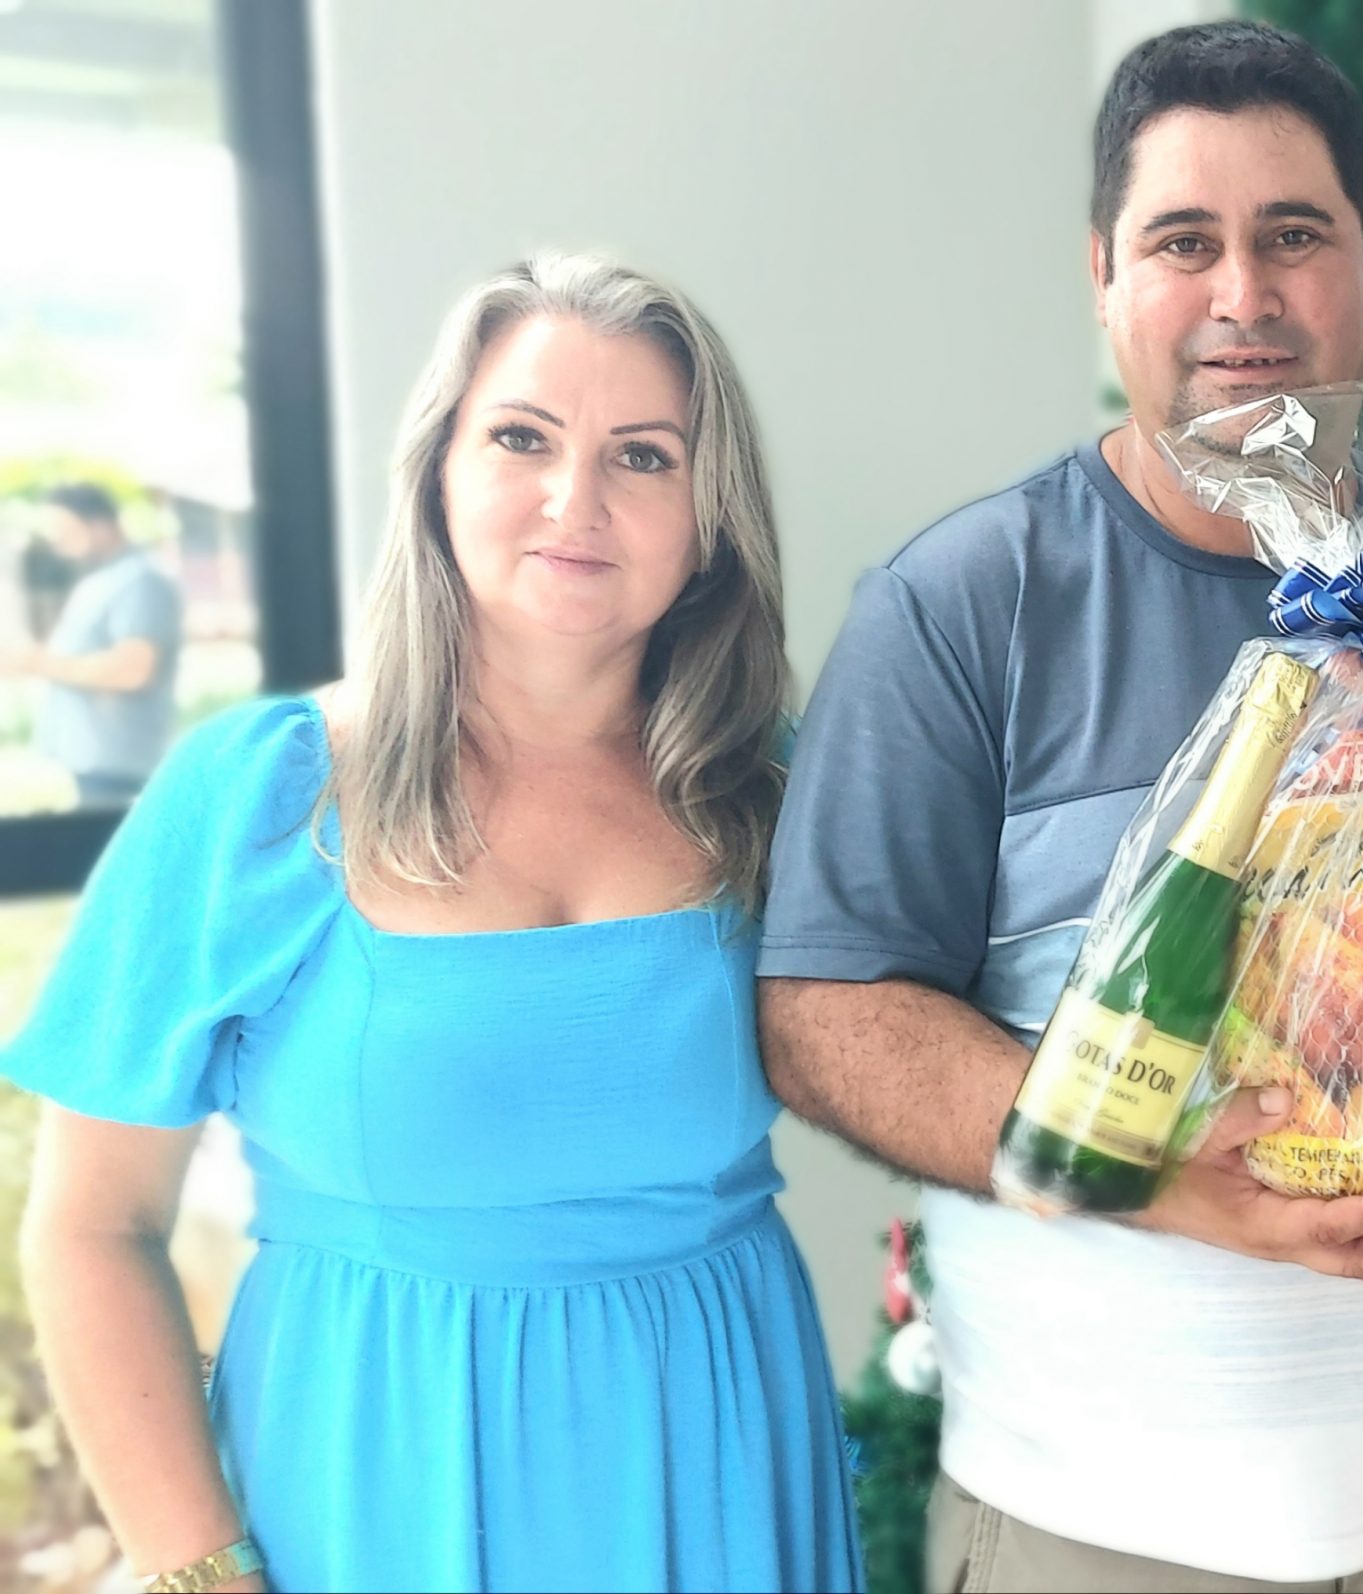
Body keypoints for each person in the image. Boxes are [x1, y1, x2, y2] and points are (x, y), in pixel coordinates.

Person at [758, 20, 1363, 1594]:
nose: (1244, 292)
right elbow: (826, 1013)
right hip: (1090, 1531)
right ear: (1105, 275)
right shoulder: (963, 605)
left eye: (1294, 234)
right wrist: (1148, 1177)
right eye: (1184, 241)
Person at [8, 254, 863, 1592]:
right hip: (367, 1485)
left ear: (708, 517)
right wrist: (199, 1570)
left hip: (718, 1467)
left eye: (643, 456)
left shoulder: (778, 793)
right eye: (522, 436)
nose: (575, 498)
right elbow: (90, 1227)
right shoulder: (264, 792)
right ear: (437, 472)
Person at [8, 482, 183, 808]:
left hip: (122, 768)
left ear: (100, 525)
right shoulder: (100, 580)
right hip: (95, 765)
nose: (58, 542)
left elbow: (132, 671)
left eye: (65, 531)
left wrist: (36, 662)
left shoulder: (141, 579)